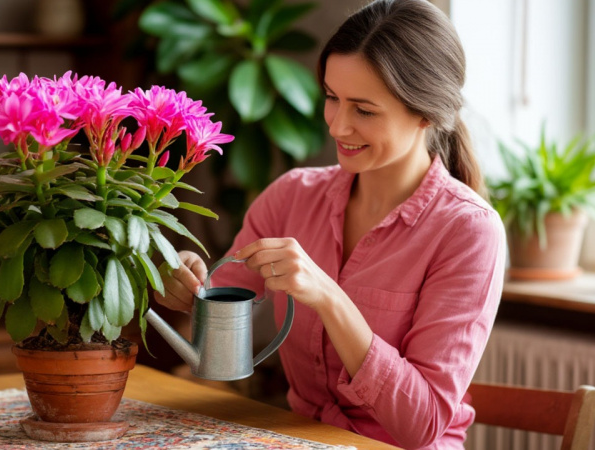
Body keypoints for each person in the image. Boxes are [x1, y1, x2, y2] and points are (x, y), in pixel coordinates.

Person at [154, 0, 506, 448]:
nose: (338, 126)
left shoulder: (468, 231)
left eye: (364, 110)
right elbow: (221, 295)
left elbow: (422, 425)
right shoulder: (292, 196)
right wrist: (185, 280)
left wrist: (329, 298)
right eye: (332, 98)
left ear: (425, 113)